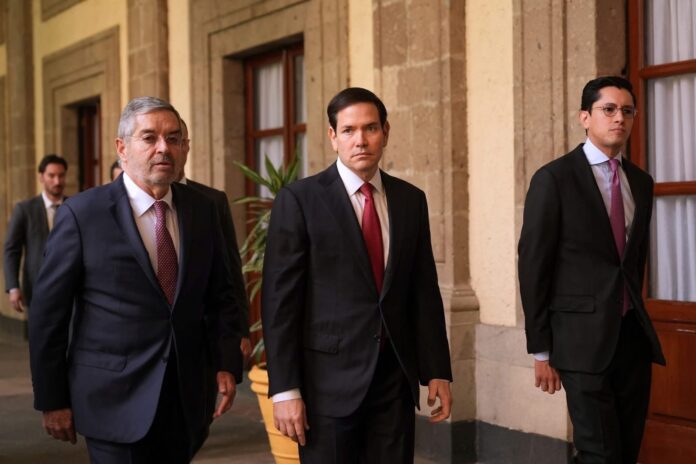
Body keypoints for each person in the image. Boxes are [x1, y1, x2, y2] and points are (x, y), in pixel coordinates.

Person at [28, 96, 243, 463]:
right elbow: (48, 316)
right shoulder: (83, 214)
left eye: (173, 138)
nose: (164, 148)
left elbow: (222, 294)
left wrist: (226, 363)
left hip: (186, 397)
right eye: (149, 138)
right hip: (112, 398)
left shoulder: (203, 209)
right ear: (122, 148)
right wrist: (52, 399)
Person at [262, 87, 453, 463]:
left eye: (370, 128)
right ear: (333, 137)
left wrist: (437, 371)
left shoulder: (410, 200)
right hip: (326, 385)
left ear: (385, 132)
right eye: (348, 130)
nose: (360, 140)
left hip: (393, 382)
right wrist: (284, 390)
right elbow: (280, 302)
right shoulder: (299, 200)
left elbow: (422, 291)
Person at [518, 76, 666, 463]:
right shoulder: (553, 179)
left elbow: (633, 262)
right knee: (599, 452)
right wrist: (541, 350)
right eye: (609, 109)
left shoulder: (641, 183)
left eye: (627, 111)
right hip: (579, 341)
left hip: (631, 339)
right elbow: (533, 266)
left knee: (626, 450)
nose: (619, 118)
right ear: (585, 117)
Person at [4, 154, 68, 313]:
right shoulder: (24, 209)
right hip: (36, 288)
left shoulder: (75, 206)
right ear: (41, 177)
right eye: (51, 176)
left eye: (61, 176)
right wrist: (13, 287)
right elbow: (12, 250)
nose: (57, 181)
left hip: (70, 288)